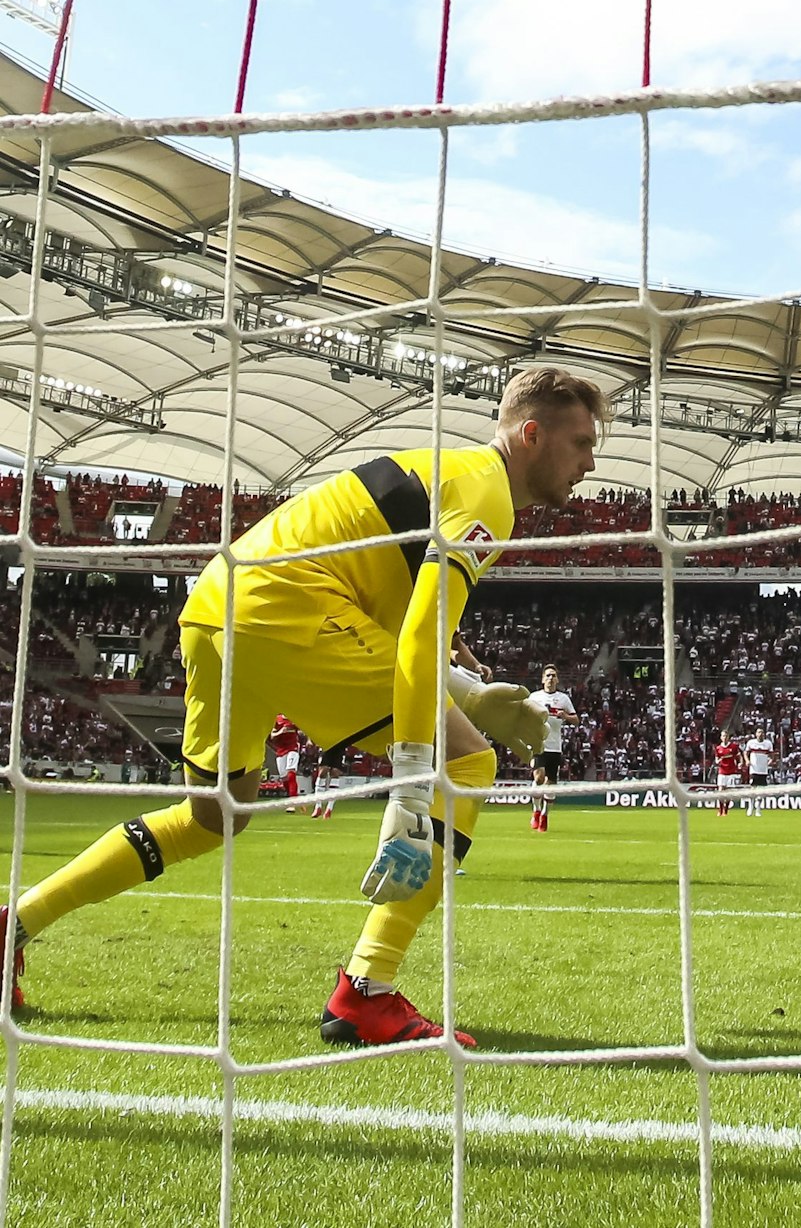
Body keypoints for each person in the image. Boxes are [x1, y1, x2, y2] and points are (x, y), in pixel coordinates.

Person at [0, 367, 603, 1042]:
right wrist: (412, 785)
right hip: (285, 610)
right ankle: (366, 991)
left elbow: (388, 623)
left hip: (216, 606)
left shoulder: (444, 471)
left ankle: (11, 925)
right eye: (581, 442)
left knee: (210, 818)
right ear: (531, 435)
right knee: (468, 765)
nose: (591, 460)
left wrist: (469, 693)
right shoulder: (488, 497)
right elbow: (415, 642)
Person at [525, 665, 578, 834]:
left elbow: (576, 720)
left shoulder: (563, 698)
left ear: (557, 679)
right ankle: (536, 811)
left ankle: (545, 815)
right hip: (538, 743)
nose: (550, 678)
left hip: (555, 746)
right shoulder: (534, 697)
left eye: (553, 676)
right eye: (547, 675)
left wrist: (566, 716)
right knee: (539, 777)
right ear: (542, 679)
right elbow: (525, 716)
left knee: (550, 783)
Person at [269, 715, 303, 811]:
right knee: (284, 778)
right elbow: (272, 735)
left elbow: (304, 729)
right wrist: (281, 731)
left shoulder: (294, 717)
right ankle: (294, 799)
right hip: (280, 750)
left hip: (293, 748)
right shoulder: (277, 719)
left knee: (291, 774)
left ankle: (292, 803)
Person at [743, 724, 774, 818]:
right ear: (756, 734)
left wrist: (770, 761)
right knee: (753, 789)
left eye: (762, 732)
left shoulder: (768, 743)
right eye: (759, 732)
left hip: (763, 770)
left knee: (761, 791)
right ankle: (750, 807)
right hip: (754, 769)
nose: (760, 734)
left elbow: (772, 755)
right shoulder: (751, 743)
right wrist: (747, 761)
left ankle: (758, 809)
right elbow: (745, 752)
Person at [714, 731, 745, 817]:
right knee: (720, 791)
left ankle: (725, 811)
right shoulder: (718, 748)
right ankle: (720, 810)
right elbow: (716, 759)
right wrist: (718, 761)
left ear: (728, 737)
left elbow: (740, 756)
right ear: (721, 737)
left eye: (726, 736)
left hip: (731, 772)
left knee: (728, 793)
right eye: (723, 736)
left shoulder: (733, 747)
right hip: (722, 771)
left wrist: (740, 763)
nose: (725, 737)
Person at [309, 749, 341, 821]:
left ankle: (329, 809)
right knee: (323, 771)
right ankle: (318, 807)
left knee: (335, 772)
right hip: (326, 745)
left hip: (340, 745)